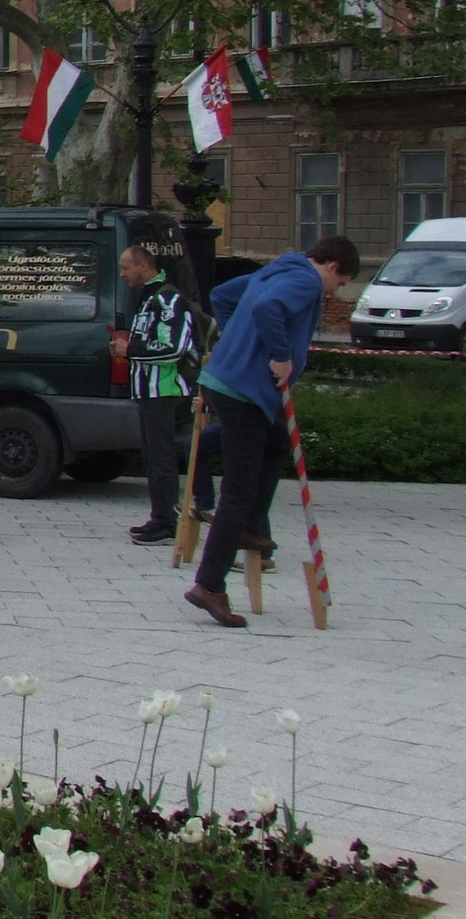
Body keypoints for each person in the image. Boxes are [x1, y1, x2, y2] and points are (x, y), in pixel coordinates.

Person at [183, 235, 359, 628]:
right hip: (244, 390)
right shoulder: (305, 281)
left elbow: (223, 296)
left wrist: (241, 340)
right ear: (332, 267)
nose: (335, 291)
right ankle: (209, 584)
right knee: (238, 490)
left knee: (277, 442)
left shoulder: (275, 271)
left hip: (233, 383)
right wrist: (279, 354)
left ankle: (249, 525)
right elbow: (267, 309)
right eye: (341, 282)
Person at [118, 247, 201, 547]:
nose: (123, 274)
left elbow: (173, 348)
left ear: (144, 266)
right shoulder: (147, 297)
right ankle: (159, 517)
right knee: (153, 457)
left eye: (126, 267)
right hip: (147, 389)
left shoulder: (168, 299)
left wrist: (131, 350)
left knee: (162, 457)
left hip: (164, 390)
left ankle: (166, 523)